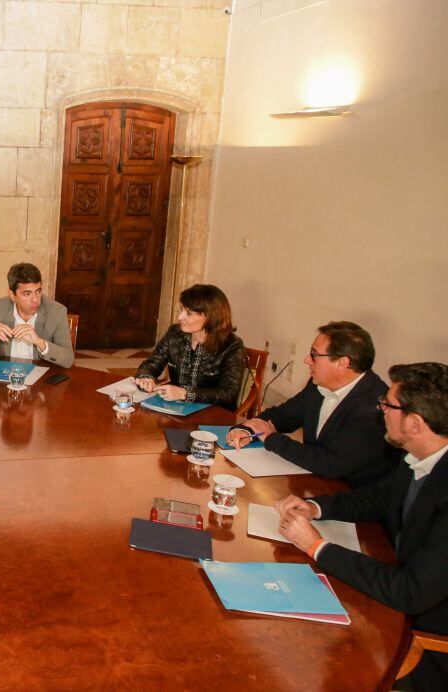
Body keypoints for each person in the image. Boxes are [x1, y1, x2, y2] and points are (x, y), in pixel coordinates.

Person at [277, 362, 448, 690]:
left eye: (388, 403)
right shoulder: (418, 456)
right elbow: (377, 498)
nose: (380, 408)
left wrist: (317, 546)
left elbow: (409, 592)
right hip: (394, 583)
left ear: (414, 423)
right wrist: (315, 507)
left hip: (424, 640)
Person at [226, 321, 393, 487]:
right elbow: (283, 415)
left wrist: (272, 439)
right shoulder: (317, 385)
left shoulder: (376, 406)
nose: (307, 360)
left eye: (314, 355)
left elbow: (330, 464)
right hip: (313, 482)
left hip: (349, 498)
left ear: (342, 363)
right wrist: (247, 429)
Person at [135, 284, 245, 409]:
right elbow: (151, 364)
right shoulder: (175, 333)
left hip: (213, 413)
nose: (180, 317)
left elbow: (228, 394)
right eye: (182, 309)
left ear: (210, 317)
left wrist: (185, 394)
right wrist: (146, 378)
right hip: (175, 407)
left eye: (189, 313)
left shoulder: (231, 345)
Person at [0, 263, 74, 369]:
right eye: (27, 294)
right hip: (6, 375)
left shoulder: (57, 312)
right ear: (12, 295)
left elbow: (68, 359)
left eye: (38, 291)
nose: (35, 300)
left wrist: (40, 342)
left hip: (41, 377)